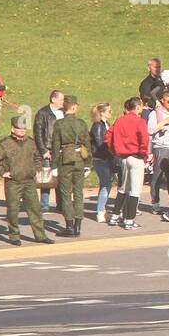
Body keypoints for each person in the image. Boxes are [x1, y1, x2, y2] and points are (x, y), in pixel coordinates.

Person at [0, 115, 53, 246]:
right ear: (13, 129)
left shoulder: (31, 142)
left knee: (35, 209)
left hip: (29, 181)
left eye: (24, 128)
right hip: (13, 182)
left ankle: (40, 235)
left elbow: (38, 157)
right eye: (19, 128)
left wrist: (36, 169)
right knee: (13, 209)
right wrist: (2, 173)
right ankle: (14, 235)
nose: (22, 130)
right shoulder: (5, 144)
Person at [105, 97, 150, 230]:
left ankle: (114, 215)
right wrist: (143, 154)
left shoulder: (119, 120)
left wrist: (115, 150)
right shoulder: (140, 121)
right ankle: (129, 220)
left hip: (123, 157)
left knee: (123, 188)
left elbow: (108, 137)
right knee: (135, 190)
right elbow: (144, 139)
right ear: (137, 107)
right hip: (136, 157)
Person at [51, 95, 91, 238]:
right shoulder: (81, 123)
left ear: (64, 107)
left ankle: (69, 226)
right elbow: (87, 143)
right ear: (74, 107)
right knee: (79, 193)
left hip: (64, 161)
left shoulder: (59, 124)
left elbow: (55, 145)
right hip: (80, 159)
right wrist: (88, 164)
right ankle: (77, 226)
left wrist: (54, 165)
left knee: (66, 194)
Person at [33, 90, 64, 213]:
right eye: (61, 99)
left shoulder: (63, 113)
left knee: (61, 178)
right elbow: (38, 134)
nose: (63, 101)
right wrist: (44, 150)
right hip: (49, 150)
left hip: (61, 150)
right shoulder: (43, 113)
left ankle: (61, 204)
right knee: (47, 178)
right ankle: (44, 205)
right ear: (53, 99)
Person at [89, 103, 115, 224]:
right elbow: (100, 144)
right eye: (109, 111)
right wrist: (110, 156)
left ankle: (102, 209)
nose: (111, 112)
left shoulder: (106, 124)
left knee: (105, 184)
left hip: (106, 158)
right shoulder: (97, 126)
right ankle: (100, 212)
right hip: (101, 159)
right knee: (106, 184)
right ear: (102, 112)